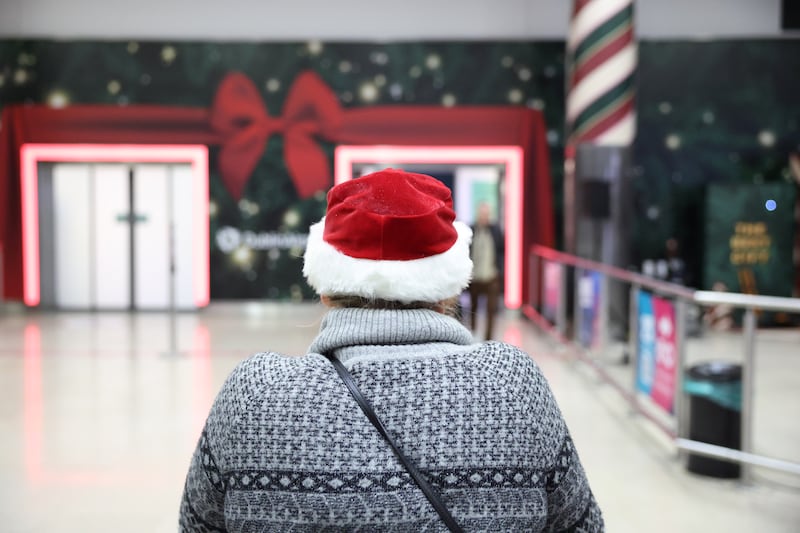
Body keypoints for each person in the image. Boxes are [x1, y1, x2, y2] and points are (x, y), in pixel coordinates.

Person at [179, 169, 603, 532]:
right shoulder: (513, 388)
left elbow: (197, 524)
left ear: (325, 288)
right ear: (450, 288)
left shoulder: (256, 395)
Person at [468, 202, 504, 340]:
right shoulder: (472, 230)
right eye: (482, 214)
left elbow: (501, 251)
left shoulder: (495, 230)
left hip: (491, 276)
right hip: (475, 276)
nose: (484, 217)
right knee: (473, 308)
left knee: (491, 310)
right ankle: (472, 334)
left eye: (486, 214)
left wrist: (498, 270)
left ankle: (488, 339)